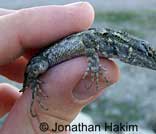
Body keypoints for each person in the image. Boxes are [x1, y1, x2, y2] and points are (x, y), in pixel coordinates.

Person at [0, 2, 119, 133]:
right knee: (39, 67)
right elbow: (88, 44)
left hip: (54, 55)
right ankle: (32, 83)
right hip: (45, 58)